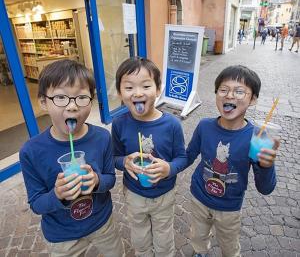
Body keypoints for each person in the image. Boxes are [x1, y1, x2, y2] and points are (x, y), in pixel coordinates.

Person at [20, 59, 124, 257]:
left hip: (102, 223)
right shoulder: (31, 152)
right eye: (60, 97)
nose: (72, 107)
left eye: (81, 98)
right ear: (43, 102)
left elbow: (110, 178)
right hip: (62, 236)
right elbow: (36, 204)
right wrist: (57, 194)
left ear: (91, 101)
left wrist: (96, 180)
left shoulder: (102, 138)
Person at [186, 65, 280, 257]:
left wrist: (266, 165)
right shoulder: (204, 126)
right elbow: (188, 156)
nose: (229, 96)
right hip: (199, 197)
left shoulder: (256, 139)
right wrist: (168, 168)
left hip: (229, 208)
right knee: (198, 235)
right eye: (223, 90)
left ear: (252, 100)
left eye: (239, 91)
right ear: (216, 94)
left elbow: (265, 188)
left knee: (229, 244)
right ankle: (200, 252)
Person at [112, 56, 187, 257]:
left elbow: (182, 157)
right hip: (134, 194)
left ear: (158, 88)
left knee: (163, 239)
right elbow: (114, 157)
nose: (137, 93)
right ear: (120, 92)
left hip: (164, 194)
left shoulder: (172, 125)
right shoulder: (119, 124)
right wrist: (124, 162)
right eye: (129, 88)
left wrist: (168, 169)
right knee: (140, 238)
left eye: (146, 86)